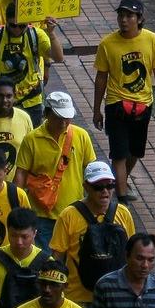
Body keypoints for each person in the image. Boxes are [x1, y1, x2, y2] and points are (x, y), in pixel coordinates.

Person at [91, 0, 155, 203]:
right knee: (118, 153)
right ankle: (122, 195)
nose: (124, 20)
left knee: (135, 152)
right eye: (121, 15)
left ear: (139, 18)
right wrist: (96, 109)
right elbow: (101, 78)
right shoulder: (107, 44)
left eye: (129, 16)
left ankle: (120, 180)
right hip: (116, 104)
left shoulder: (152, 40)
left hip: (143, 105)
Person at [14, 91, 95, 247]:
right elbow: (21, 174)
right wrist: (18, 208)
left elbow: (90, 170)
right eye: (59, 117)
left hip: (74, 211)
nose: (64, 122)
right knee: (45, 263)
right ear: (46, 114)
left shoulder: (81, 136)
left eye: (67, 117)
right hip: (41, 215)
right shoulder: (32, 140)